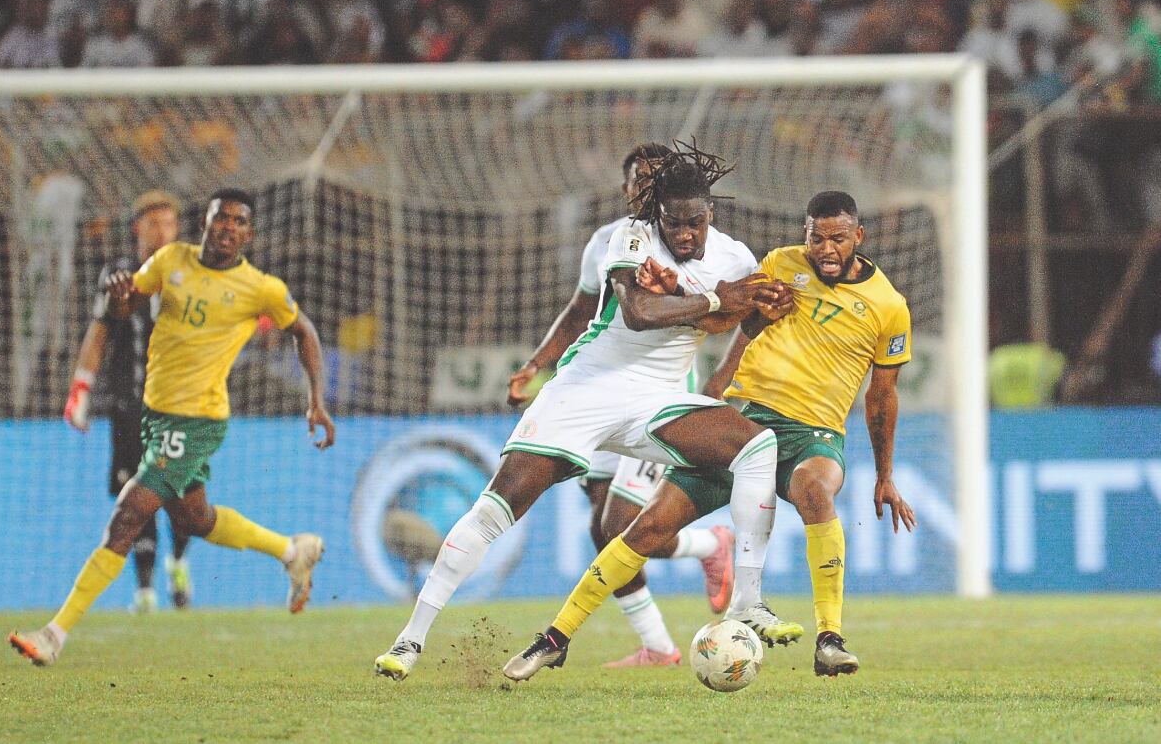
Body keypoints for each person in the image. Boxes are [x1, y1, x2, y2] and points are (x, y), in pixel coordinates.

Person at [375, 143, 795, 682]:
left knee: (757, 444)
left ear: (711, 213)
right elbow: (641, 313)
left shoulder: (736, 258)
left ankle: (748, 602)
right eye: (674, 223)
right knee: (496, 508)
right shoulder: (631, 237)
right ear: (655, 215)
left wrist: (759, 317)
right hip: (585, 390)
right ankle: (409, 641)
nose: (684, 235)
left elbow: (741, 321)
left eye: (695, 223)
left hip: (659, 398)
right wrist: (718, 299)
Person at [504, 190, 917, 681]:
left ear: (859, 237)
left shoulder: (888, 306)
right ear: (805, 233)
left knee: (813, 489)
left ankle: (829, 638)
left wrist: (885, 475)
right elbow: (734, 322)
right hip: (745, 419)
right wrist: (716, 385)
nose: (826, 249)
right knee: (645, 528)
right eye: (816, 238)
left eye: (838, 239)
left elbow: (882, 396)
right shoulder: (781, 264)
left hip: (814, 432)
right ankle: (555, 638)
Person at [9, 189, 336, 667]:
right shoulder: (170, 260)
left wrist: (316, 402)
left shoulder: (260, 288)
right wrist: (121, 296)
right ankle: (292, 550)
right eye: (219, 218)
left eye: (238, 222)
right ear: (203, 223)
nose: (227, 227)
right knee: (193, 520)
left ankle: (54, 634)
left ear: (249, 234)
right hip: (155, 416)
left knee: (127, 515)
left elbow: (303, 330)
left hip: (198, 420)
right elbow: (124, 307)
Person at [506, 143, 736, 670]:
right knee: (599, 526)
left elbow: (732, 313)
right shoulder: (608, 242)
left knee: (620, 526)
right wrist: (538, 364)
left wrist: (719, 381)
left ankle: (709, 546)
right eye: (641, 181)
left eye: (658, 181)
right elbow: (581, 312)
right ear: (630, 189)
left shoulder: (700, 249)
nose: (648, 190)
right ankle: (659, 643)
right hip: (601, 394)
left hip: (658, 400)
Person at [64, 190, 191, 613]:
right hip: (129, 407)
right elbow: (101, 330)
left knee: (183, 497)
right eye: (154, 223)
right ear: (138, 228)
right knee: (138, 498)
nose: (163, 231)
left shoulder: (191, 273)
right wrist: (80, 392)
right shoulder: (119, 274)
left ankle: (178, 562)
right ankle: (145, 591)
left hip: (181, 407)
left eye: (170, 223)